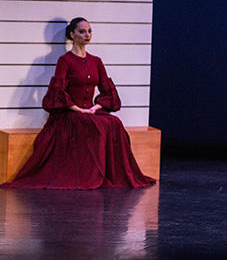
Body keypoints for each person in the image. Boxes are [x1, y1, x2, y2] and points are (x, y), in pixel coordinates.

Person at [0, 17, 155, 189]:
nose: (87, 35)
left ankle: (110, 175)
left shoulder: (96, 61)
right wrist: (77, 109)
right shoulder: (65, 61)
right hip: (69, 113)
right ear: (72, 34)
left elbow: (107, 90)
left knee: (113, 122)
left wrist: (96, 107)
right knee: (94, 126)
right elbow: (57, 93)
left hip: (90, 110)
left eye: (89, 31)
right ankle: (90, 175)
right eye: (82, 31)